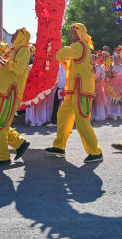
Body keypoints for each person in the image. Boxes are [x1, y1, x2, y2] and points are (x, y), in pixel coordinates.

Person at [45, 23, 103, 163]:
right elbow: (70, 64)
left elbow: (62, 54)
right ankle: (59, 146)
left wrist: (54, 48)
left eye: (72, 32)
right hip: (73, 91)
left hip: (81, 91)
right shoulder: (80, 47)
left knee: (82, 123)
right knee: (63, 116)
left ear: (79, 34)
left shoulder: (79, 45)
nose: (70, 34)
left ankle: (95, 152)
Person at [0, 28, 31, 166]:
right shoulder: (11, 51)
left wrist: (4, 61)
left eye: (16, 34)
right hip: (0, 92)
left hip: (10, 93)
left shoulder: (24, 50)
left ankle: (2, 157)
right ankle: (19, 143)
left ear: (22, 36)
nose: (13, 36)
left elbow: (19, 68)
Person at [105, 53, 122, 120]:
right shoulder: (111, 66)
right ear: (113, 59)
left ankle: (121, 114)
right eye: (115, 58)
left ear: (120, 59)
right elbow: (107, 76)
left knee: (121, 98)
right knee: (114, 99)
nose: (116, 60)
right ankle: (114, 114)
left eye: (117, 58)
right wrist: (110, 72)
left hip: (121, 84)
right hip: (113, 84)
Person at [91, 54, 107, 121]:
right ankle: (91, 116)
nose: (92, 60)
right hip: (90, 85)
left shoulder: (99, 67)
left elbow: (103, 75)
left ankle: (100, 115)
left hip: (98, 85)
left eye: (94, 59)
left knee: (99, 101)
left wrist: (98, 79)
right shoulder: (88, 67)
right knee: (91, 101)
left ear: (96, 59)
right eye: (91, 59)